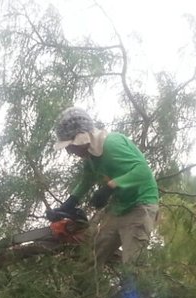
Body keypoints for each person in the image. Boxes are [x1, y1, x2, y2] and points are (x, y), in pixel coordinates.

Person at [51, 107, 160, 270]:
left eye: (70, 146)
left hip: (140, 206)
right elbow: (86, 180)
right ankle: (85, 292)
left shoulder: (112, 144)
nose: (69, 151)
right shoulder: (90, 156)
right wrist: (69, 203)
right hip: (119, 208)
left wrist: (110, 187)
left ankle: (140, 294)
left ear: (80, 137)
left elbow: (143, 172)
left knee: (133, 267)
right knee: (91, 258)